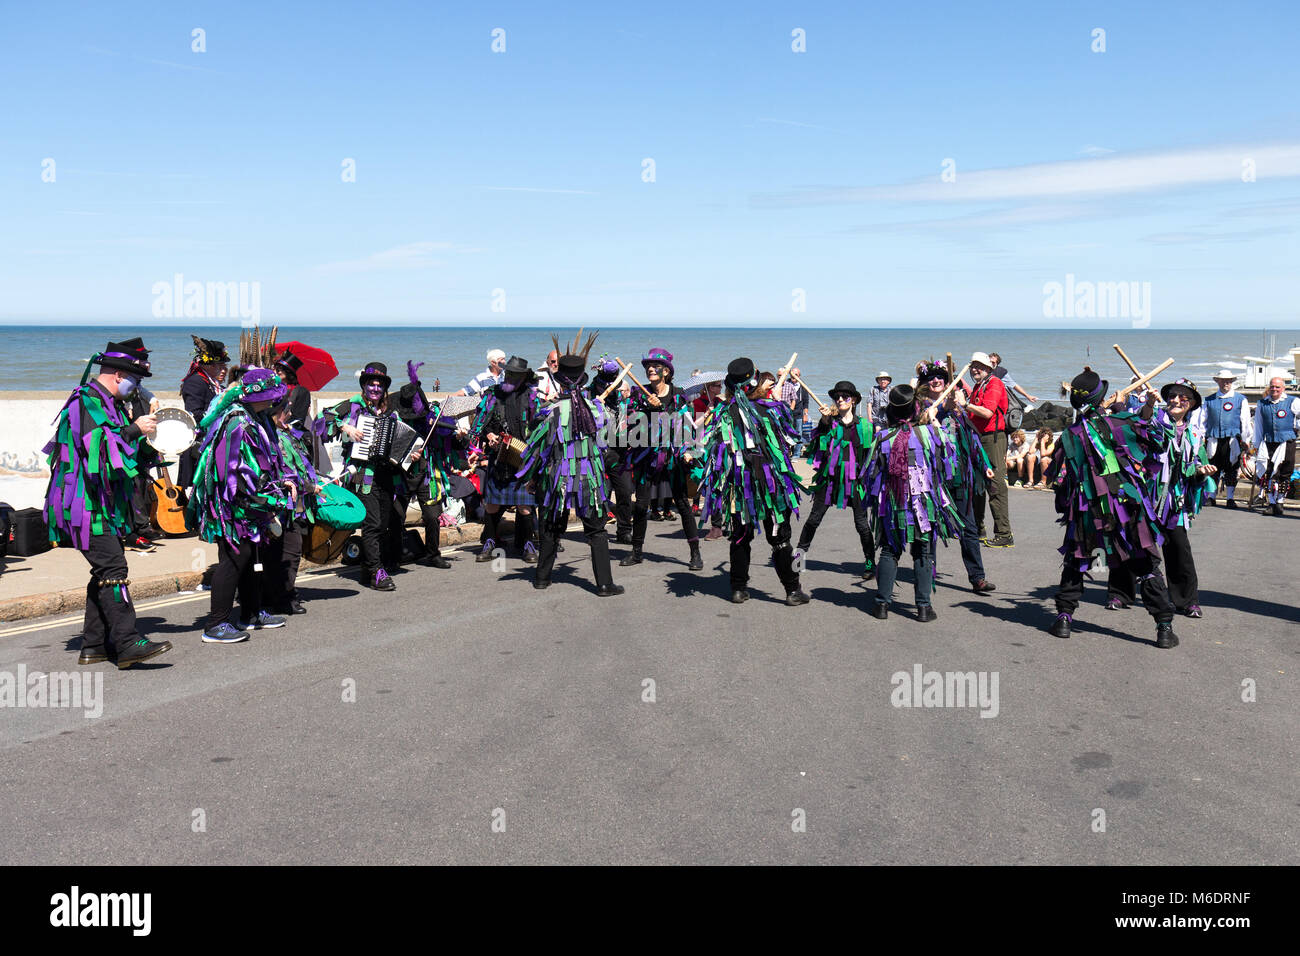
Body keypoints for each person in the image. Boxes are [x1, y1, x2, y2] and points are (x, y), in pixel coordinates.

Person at [43, 338, 172, 668]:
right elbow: (97, 453)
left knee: (104, 570)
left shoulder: (111, 404)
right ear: (118, 375)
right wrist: (133, 430)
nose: (137, 387)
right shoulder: (86, 402)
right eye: (136, 380)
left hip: (102, 502)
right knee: (113, 568)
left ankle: (95, 645)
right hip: (84, 503)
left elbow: (123, 459)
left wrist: (150, 442)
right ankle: (127, 643)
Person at [1044, 369, 1180, 649]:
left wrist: (1119, 409)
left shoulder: (1070, 434)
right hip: (1126, 507)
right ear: (1101, 400)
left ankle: (1064, 619)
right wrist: (1135, 409)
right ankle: (1163, 626)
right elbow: (1158, 440)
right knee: (1144, 562)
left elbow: (1060, 476)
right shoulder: (1119, 422)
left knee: (1078, 559)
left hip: (1087, 511)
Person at [188, 368, 296, 642]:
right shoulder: (238, 423)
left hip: (249, 502)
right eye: (269, 397)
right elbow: (234, 472)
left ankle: (250, 612)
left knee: (250, 557)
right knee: (234, 559)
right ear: (254, 397)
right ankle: (216, 624)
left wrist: (279, 484)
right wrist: (269, 495)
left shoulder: (257, 417)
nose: (274, 402)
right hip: (232, 502)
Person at [517, 331, 624, 596]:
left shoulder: (548, 412)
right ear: (582, 379)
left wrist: (532, 479)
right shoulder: (596, 409)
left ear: (559, 381)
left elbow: (537, 450)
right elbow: (605, 442)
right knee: (596, 531)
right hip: (589, 478)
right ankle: (604, 584)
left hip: (557, 479)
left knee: (552, 526)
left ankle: (542, 578)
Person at [698, 359, 809, 606]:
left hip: (739, 484)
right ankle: (792, 590)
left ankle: (738, 589)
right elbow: (787, 442)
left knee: (740, 535)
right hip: (770, 482)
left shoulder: (724, 413)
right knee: (780, 537)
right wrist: (778, 402)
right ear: (754, 381)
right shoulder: (771, 409)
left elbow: (716, 451)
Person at [1110, 379, 1215, 619]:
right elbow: (1141, 422)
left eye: (1183, 397)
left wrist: (1201, 471)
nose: (1176, 400)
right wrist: (1148, 403)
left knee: (1179, 548)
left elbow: (1195, 462)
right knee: (1132, 542)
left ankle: (1186, 600)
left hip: (1174, 500)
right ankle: (1120, 594)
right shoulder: (1156, 420)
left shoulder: (1195, 433)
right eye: (1173, 396)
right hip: (1146, 494)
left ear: (1191, 405)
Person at [861, 384, 961, 621]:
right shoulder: (930, 434)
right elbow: (950, 459)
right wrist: (936, 423)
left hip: (892, 502)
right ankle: (924, 607)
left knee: (889, 550)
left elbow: (872, 473)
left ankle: (881, 605)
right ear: (916, 408)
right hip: (923, 503)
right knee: (923, 551)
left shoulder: (882, 437)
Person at [320, 362, 406, 590]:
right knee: (372, 523)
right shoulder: (353, 406)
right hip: (360, 475)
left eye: (379, 385)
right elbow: (323, 416)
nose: (375, 389)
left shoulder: (391, 413)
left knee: (383, 523)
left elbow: (399, 445)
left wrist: (409, 456)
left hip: (386, 476)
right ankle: (376, 572)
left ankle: (369, 567)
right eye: (371, 384)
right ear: (364, 386)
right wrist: (344, 427)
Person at [618, 348, 703, 572]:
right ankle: (636, 552)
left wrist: (687, 450)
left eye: (655, 366)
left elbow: (686, 426)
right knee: (641, 506)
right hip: (647, 457)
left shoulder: (678, 395)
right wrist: (647, 408)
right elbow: (628, 422)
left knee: (683, 504)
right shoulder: (639, 393)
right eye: (647, 366)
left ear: (666, 371)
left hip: (672, 458)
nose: (650, 369)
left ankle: (695, 553)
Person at [915, 361, 996, 595]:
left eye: (940, 376)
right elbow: (921, 424)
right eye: (931, 378)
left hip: (959, 475)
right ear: (924, 383)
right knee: (929, 527)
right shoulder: (921, 406)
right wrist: (941, 409)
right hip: (933, 476)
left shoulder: (958, 409)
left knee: (969, 527)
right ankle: (927, 574)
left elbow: (972, 438)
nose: (936, 380)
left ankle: (977, 577)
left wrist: (985, 464)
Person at [795, 380, 876, 580]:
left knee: (862, 525)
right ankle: (797, 559)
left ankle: (869, 562)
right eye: (836, 397)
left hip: (855, 482)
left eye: (845, 397)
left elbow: (870, 457)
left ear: (854, 400)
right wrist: (823, 420)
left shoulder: (865, 426)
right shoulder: (829, 423)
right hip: (829, 481)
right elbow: (817, 444)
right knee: (813, 520)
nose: (840, 400)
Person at [469, 355, 543, 562]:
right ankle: (490, 542)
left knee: (525, 506)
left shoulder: (532, 397)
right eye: (508, 374)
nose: (510, 378)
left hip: (524, 459)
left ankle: (528, 545)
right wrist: (489, 436)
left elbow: (540, 426)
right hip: (499, 457)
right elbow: (480, 426)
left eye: (515, 375)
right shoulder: (493, 395)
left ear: (523, 377)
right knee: (492, 504)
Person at [396, 360, 467, 569]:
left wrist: (460, 437)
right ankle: (394, 555)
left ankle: (433, 554)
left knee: (431, 516)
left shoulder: (433, 418)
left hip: (428, 473)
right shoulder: (398, 421)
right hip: (403, 474)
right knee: (397, 515)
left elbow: (451, 441)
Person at [966, 352, 1012, 547]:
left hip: (992, 438)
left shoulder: (994, 383)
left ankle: (1004, 533)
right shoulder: (979, 385)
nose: (975, 369)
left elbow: (987, 412)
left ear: (987, 368)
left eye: (979, 366)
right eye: (973, 366)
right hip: (977, 438)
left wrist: (964, 404)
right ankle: (978, 528)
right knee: (976, 484)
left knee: (995, 484)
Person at [588, 356, 634, 542]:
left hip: (618, 450)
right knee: (597, 493)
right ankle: (595, 532)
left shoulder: (621, 396)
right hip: (595, 450)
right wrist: (594, 406)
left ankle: (624, 530)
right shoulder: (588, 395)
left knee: (624, 491)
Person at [177, 336, 229, 490]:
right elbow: (195, 415)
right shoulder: (195, 382)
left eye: (224, 365)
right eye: (219, 365)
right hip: (200, 444)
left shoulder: (212, 382)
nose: (223, 369)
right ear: (207, 365)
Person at [1197, 370, 1252, 508]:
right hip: (1213, 439)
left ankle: (1230, 498)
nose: (1225, 383)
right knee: (1213, 467)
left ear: (1232, 382)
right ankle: (1211, 496)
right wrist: (1201, 437)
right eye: (1222, 380)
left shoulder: (1240, 399)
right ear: (1217, 381)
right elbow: (1202, 421)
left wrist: (1246, 440)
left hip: (1232, 439)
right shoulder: (1209, 400)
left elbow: (1245, 421)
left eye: (1228, 380)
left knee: (1231, 468)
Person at [1251, 377, 1299, 517]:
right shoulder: (1262, 404)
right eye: (1272, 387)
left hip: (1287, 441)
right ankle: (1271, 502)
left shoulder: (1293, 401)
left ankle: (1280, 501)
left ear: (1283, 388)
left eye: (1278, 387)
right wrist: (1257, 444)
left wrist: (1297, 426)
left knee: (1285, 472)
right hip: (1268, 442)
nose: (1275, 389)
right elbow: (1258, 425)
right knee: (1269, 472)